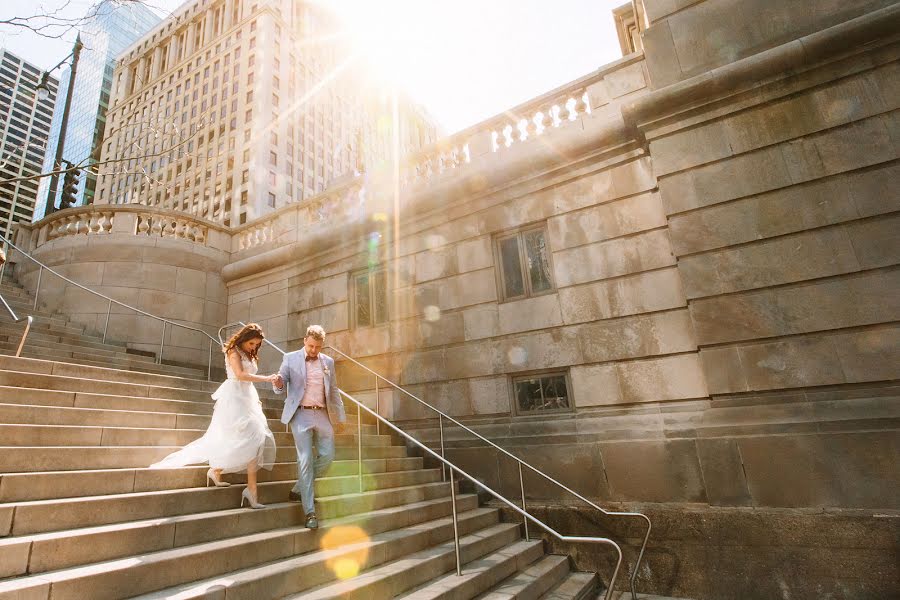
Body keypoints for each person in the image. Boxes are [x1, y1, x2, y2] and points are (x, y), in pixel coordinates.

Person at [151, 323, 278, 509]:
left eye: (256, 345)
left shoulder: (248, 353)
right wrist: (267, 379)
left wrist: (255, 399)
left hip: (248, 398)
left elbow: (247, 382)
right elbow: (240, 375)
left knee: (255, 436)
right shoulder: (232, 351)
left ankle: (244, 486)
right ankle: (226, 476)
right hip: (234, 398)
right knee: (241, 436)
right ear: (244, 338)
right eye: (252, 343)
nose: (254, 347)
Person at [273, 324, 346, 529]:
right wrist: (278, 383)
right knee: (304, 460)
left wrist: (340, 417)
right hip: (301, 414)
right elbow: (280, 387)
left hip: (323, 414)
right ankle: (310, 513)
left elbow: (334, 390)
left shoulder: (328, 362)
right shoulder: (290, 358)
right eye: (312, 346)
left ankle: (299, 488)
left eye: (318, 347)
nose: (314, 350)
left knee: (328, 457)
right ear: (305, 340)